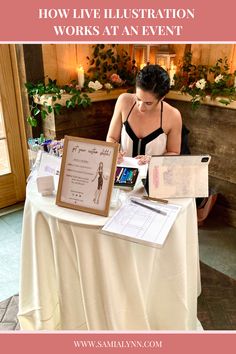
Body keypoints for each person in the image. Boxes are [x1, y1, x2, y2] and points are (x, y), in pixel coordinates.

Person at [106, 64, 182, 164]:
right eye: (138, 99)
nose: (141, 107)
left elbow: (174, 153)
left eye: (148, 103)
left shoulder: (173, 116)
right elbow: (111, 138)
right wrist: (115, 152)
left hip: (155, 175)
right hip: (122, 174)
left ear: (162, 98)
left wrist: (153, 160)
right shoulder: (123, 101)